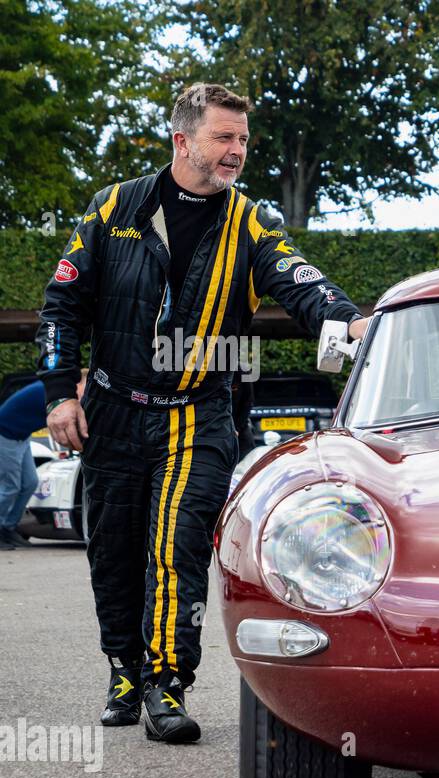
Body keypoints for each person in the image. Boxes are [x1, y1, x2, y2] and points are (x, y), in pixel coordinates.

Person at [37, 82, 370, 742]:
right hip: (111, 408)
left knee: (178, 548)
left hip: (199, 413)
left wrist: (353, 323)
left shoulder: (250, 220)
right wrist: (57, 395)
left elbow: (302, 283)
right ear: (182, 140)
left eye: (243, 140)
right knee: (113, 550)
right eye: (224, 138)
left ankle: (167, 684)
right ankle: (124, 672)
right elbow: (60, 308)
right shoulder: (115, 207)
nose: (237, 152)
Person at [0, 377, 65, 550]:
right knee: (10, 486)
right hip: (5, 435)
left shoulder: (53, 387)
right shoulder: (51, 393)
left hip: (21, 436)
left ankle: (8, 528)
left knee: (30, 483)